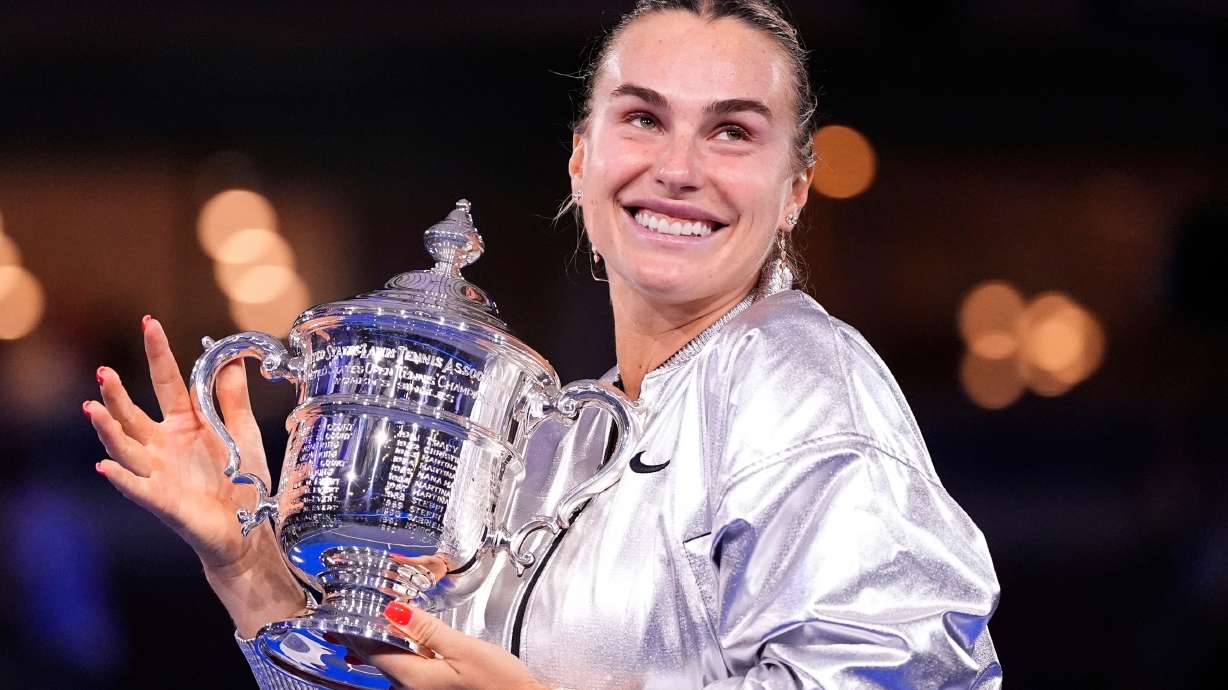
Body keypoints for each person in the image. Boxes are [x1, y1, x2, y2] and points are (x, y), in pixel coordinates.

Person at [84, 1, 1002, 688]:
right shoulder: (553, 438)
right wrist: (250, 572)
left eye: (732, 131)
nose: (678, 168)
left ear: (794, 191)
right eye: (643, 118)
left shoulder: (797, 374)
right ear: (580, 160)